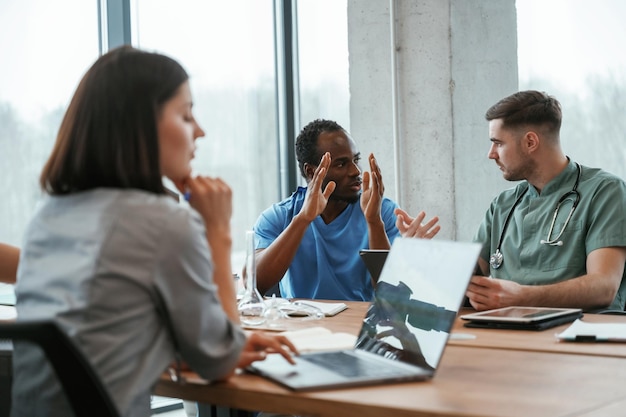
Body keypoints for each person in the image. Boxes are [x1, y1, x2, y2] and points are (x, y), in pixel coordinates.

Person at [11, 46, 296, 417]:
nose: (200, 131)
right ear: (140, 125)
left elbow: (103, 329)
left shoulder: (47, 215)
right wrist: (216, 231)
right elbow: (219, 361)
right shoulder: (164, 223)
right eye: (186, 114)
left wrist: (202, 346)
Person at [467, 90, 626, 312]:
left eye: (498, 143)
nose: (491, 154)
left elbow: (604, 287)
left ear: (530, 142)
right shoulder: (503, 205)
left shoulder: (604, 191)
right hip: (508, 329)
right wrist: (421, 252)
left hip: (580, 335)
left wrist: (521, 297)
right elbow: (470, 280)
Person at [253, 119, 440, 301]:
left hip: (358, 326)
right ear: (311, 172)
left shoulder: (383, 212)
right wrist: (303, 219)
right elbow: (254, 283)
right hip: (301, 326)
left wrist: (374, 222)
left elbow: (391, 294)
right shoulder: (279, 216)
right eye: (341, 164)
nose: (356, 171)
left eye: (356, 160)